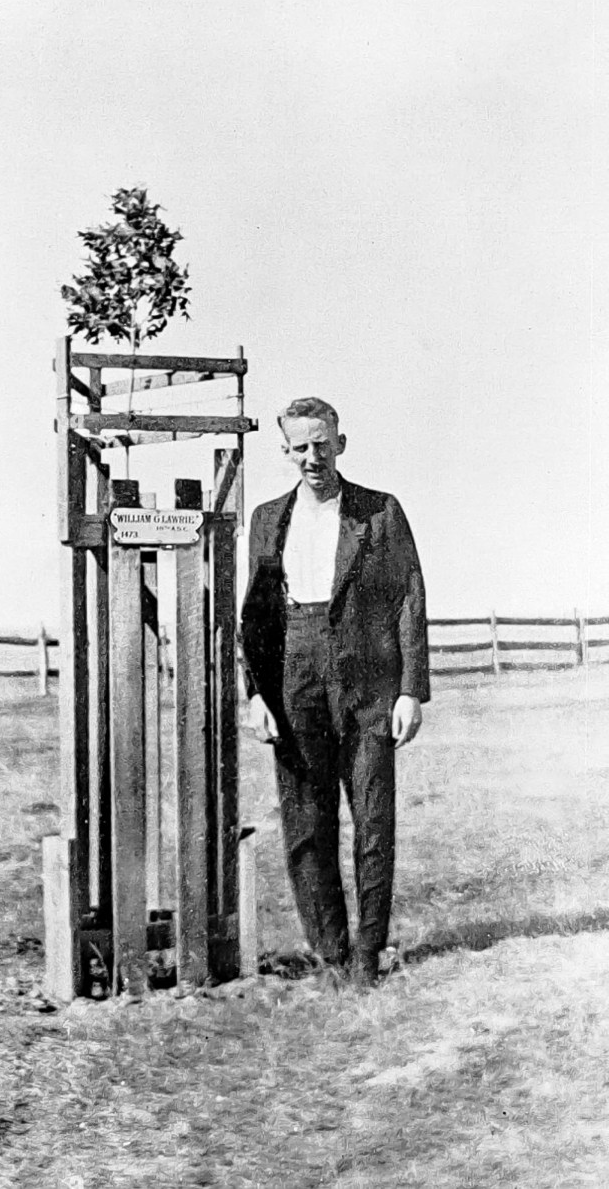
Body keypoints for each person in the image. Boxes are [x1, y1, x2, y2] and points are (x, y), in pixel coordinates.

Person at [240, 397, 430, 988]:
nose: (312, 457)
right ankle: (330, 952)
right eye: (300, 447)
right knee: (305, 819)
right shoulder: (268, 519)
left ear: (340, 444)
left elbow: (408, 600)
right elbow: (257, 617)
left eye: (322, 444)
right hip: (294, 673)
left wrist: (410, 691)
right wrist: (256, 695)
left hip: (368, 679)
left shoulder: (380, 512)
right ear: (286, 452)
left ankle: (368, 954)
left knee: (373, 817)